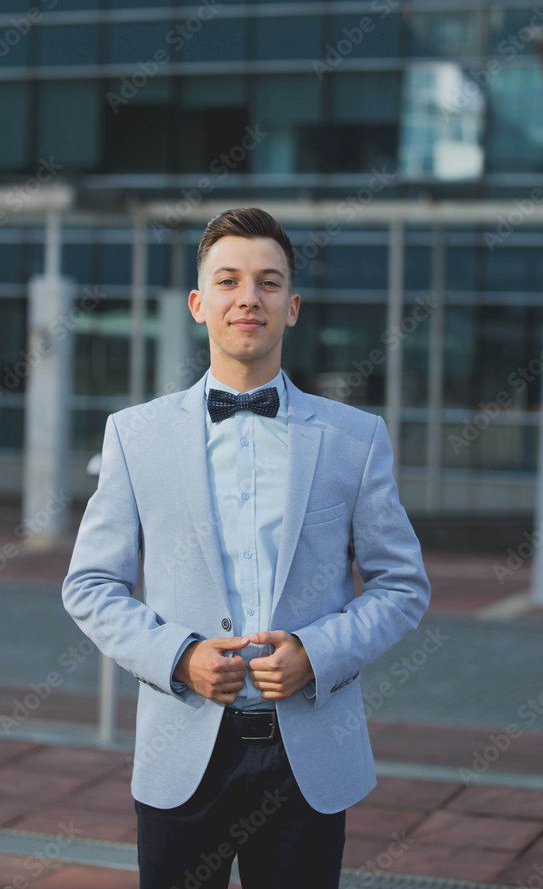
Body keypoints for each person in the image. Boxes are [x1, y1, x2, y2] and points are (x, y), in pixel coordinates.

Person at [62, 206, 431, 889]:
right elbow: (89, 585)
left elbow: (402, 586)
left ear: (291, 307)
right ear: (201, 304)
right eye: (228, 281)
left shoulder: (355, 437)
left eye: (267, 282)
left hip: (307, 754)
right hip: (183, 746)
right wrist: (179, 657)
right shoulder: (134, 436)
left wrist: (316, 655)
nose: (248, 298)